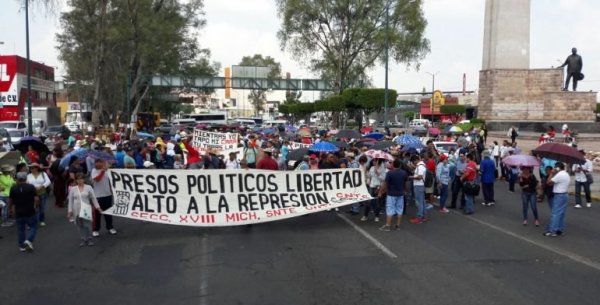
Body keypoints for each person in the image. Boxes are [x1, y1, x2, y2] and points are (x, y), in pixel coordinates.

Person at [68, 173, 101, 246]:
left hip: (86, 209)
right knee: (79, 225)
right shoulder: (73, 189)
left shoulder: (88, 187)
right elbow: (70, 200)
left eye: (81, 179)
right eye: (78, 179)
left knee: (87, 225)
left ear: (83, 179)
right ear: (76, 180)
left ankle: (89, 238)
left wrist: (98, 207)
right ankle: (83, 239)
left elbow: (93, 198)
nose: (80, 181)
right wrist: (69, 211)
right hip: (76, 209)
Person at [9, 172, 39, 252]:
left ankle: (22, 246)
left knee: (20, 229)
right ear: (26, 178)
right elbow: (36, 199)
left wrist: (10, 209)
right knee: (33, 226)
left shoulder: (13, 188)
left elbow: (11, 200)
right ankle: (28, 240)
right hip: (29, 211)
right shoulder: (31, 187)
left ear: (17, 179)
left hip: (18, 211)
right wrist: (36, 206)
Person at [378, 159, 408, 231]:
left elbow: (385, 184)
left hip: (391, 194)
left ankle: (388, 226)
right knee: (399, 209)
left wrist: (380, 192)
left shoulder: (390, 173)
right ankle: (398, 225)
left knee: (390, 209)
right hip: (400, 193)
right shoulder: (404, 173)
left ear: (393, 165)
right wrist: (405, 190)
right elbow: (405, 183)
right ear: (400, 165)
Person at [91, 159, 117, 237]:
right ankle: (95, 229)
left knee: (108, 213)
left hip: (107, 195)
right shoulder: (94, 171)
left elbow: (110, 181)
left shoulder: (107, 171)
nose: (99, 164)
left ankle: (110, 227)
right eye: (97, 162)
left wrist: (112, 191)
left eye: (101, 162)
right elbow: (97, 179)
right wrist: (103, 171)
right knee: (97, 214)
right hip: (97, 196)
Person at [545, 162, 570, 237]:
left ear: (557, 168)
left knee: (555, 214)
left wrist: (551, 173)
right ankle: (559, 229)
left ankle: (552, 230)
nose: (553, 169)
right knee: (561, 214)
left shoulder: (559, 175)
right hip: (564, 195)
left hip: (559, 195)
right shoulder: (565, 174)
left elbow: (548, 182)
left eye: (554, 167)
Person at [409, 155, 427, 224]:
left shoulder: (420, 166)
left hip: (418, 186)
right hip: (420, 186)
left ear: (415, 160)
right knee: (422, 202)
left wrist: (411, 177)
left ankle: (419, 217)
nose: (414, 164)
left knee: (419, 202)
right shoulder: (421, 166)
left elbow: (419, 177)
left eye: (413, 162)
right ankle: (423, 216)